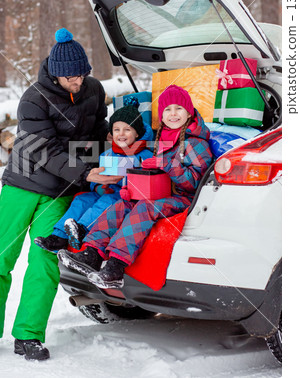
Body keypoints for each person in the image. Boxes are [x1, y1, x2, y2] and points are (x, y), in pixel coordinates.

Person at [0, 28, 121, 361]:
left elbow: (97, 132)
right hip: (22, 185)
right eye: (70, 77)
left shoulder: (94, 90)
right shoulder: (34, 97)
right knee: (0, 259)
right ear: (54, 72)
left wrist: (106, 160)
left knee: (44, 262)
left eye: (81, 75)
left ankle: (29, 335)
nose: (77, 82)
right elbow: (45, 150)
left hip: (60, 191)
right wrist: (85, 172)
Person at [58, 85, 213, 288]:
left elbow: (194, 183)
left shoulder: (195, 143)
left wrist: (168, 164)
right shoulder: (163, 138)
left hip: (184, 198)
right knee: (121, 204)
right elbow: (155, 177)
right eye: (167, 109)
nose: (173, 114)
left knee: (144, 208)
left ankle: (116, 265)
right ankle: (92, 253)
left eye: (178, 109)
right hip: (160, 193)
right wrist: (133, 188)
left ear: (189, 112)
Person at [34, 96, 154, 252]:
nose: (121, 134)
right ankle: (59, 237)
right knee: (83, 199)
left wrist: (126, 179)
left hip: (124, 196)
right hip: (105, 191)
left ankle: (82, 229)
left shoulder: (143, 155)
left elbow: (148, 180)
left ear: (137, 133)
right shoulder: (108, 154)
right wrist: (97, 186)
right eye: (117, 130)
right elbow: (98, 175)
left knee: (106, 203)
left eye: (127, 129)